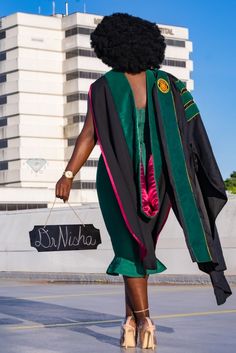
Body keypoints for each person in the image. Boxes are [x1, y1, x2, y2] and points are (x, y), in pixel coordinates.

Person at [55, 13, 232, 349]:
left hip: (116, 181)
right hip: (161, 183)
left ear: (109, 47)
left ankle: (145, 320)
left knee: (131, 251)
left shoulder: (104, 86)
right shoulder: (168, 84)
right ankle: (129, 324)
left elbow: (89, 134)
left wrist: (68, 175)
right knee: (135, 250)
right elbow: (193, 134)